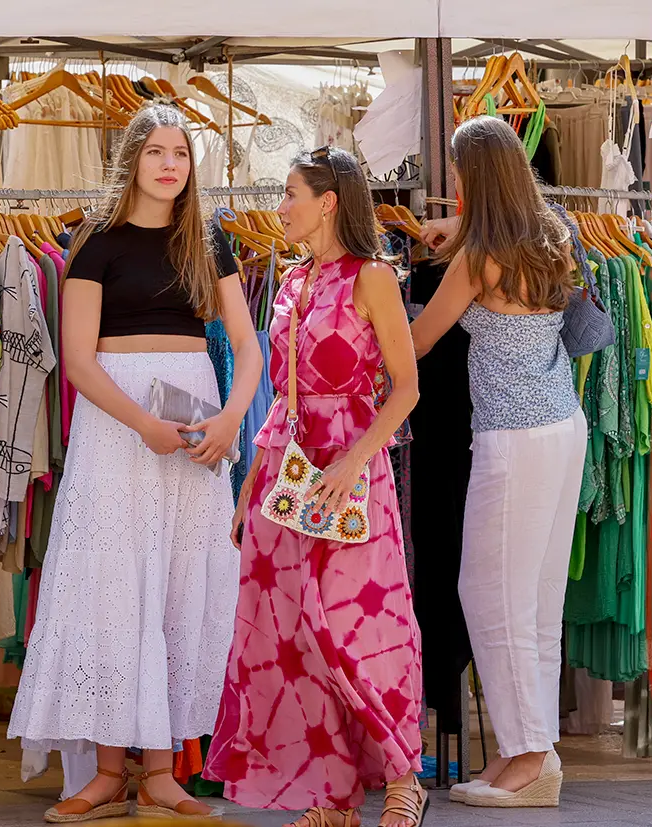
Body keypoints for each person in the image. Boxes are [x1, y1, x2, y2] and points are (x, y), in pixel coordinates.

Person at [6, 104, 262, 822]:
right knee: (112, 585)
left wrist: (233, 417)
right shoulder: (95, 241)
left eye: (180, 152)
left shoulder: (209, 241)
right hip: (119, 427)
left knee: (180, 584)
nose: (170, 163)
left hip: (195, 425)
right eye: (156, 151)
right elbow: (80, 361)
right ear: (133, 161)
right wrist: (144, 423)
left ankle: (160, 773)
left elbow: (248, 349)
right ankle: (108, 773)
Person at [205, 146, 426, 827]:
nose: (280, 207)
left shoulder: (374, 277)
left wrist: (356, 460)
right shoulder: (294, 280)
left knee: (363, 625)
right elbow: (282, 395)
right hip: (285, 472)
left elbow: (406, 387)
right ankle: (332, 795)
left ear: (328, 201)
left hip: (352, 470)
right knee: (293, 631)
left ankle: (401, 777)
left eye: (291, 193)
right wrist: (249, 486)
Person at [410, 115, 587, 809]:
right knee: (538, 603)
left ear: (474, 178)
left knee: (489, 595)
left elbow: (420, 340)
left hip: (513, 439)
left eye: (457, 175)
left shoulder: (477, 257)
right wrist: (458, 233)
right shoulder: (554, 235)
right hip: (562, 426)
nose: (451, 185)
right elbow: (513, 231)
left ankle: (527, 756)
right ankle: (532, 751)